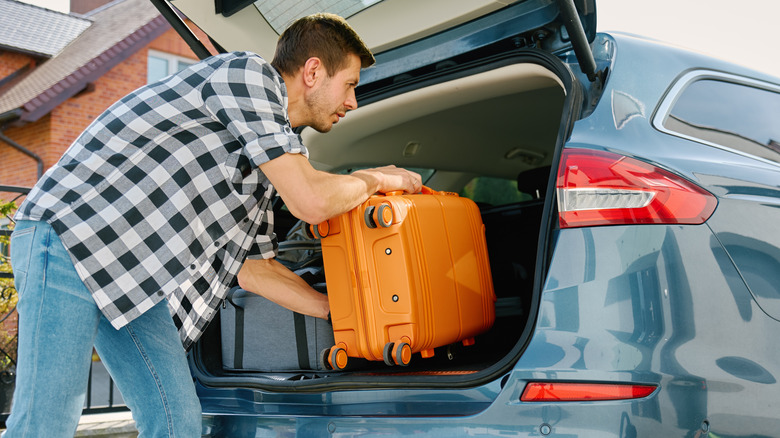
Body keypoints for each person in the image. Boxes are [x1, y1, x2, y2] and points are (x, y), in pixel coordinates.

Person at [3, 13, 422, 437]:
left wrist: (346, 312)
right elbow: (312, 201)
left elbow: (255, 268)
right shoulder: (247, 74)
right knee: (46, 423)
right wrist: (377, 179)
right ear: (313, 71)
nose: (353, 102)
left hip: (134, 278)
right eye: (350, 84)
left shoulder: (269, 162)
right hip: (70, 239)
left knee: (178, 421)